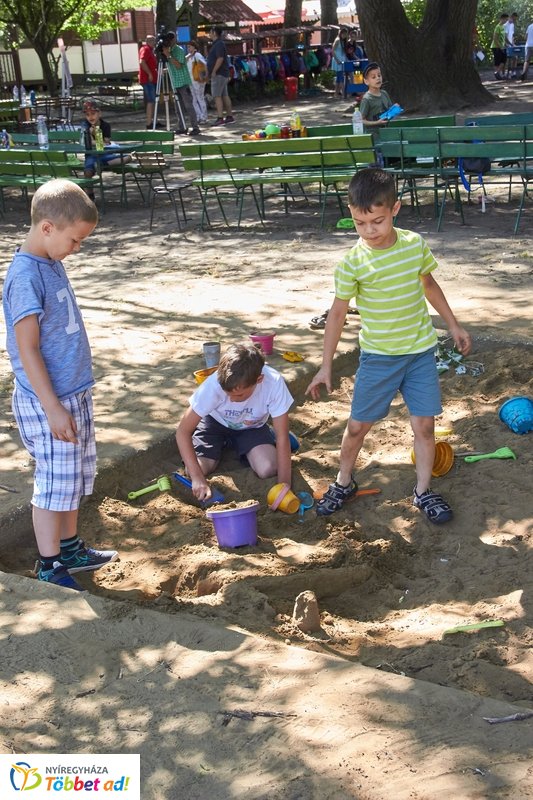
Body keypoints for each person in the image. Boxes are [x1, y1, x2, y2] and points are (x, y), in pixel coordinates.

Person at [305, 168, 471, 525]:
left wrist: (453, 324)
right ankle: (344, 482)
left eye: (377, 221)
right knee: (356, 428)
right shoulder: (352, 262)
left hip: (419, 355)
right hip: (378, 359)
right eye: (359, 223)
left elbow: (429, 285)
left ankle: (423, 491)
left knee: (424, 427)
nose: (369, 231)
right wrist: (325, 365)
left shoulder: (413, 245)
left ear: (395, 208)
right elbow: (337, 314)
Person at [1, 179, 119, 590]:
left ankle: (69, 548)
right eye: (75, 240)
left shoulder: (51, 262)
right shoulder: (24, 277)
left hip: (74, 393)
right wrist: (52, 406)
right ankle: (49, 563)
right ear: (47, 227)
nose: (77, 248)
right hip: (47, 400)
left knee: (74, 480)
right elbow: (27, 349)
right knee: (54, 483)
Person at [176, 343, 293, 502]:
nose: (231, 400)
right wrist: (197, 478)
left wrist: (284, 486)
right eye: (227, 394)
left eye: (239, 395)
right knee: (197, 469)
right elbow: (183, 431)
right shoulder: (213, 385)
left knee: (269, 469)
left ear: (259, 380)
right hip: (214, 423)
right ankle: (226, 445)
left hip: (251, 426)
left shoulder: (274, 383)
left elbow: (282, 437)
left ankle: (259, 439)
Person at [80, 100, 132, 199]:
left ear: (99, 113)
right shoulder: (85, 125)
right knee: (88, 172)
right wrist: (94, 136)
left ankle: (102, 165)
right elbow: (88, 142)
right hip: (92, 155)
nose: (90, 117)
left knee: (128, 157)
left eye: (93, 114)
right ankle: (90, 195)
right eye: (87, 115)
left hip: (106, 155)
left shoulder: (105, 125)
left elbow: (107, 142)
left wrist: (96, 135)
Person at [163, 32, 200, 135]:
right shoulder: (170, 50)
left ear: (174, 39)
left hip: (182, 82)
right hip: (175, 82)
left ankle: (195, 127)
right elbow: (172, 65)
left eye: (170, 39)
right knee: (178, 107)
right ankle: (182, 126)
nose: (169, 41)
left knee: (188, 106)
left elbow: (178, 65)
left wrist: (168, 55)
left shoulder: (178, 50)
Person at [206, 26, 234, 127]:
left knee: (217, 96)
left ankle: (220, 117)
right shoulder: (217, 44)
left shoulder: (218, 44)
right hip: (222, 74)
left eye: (210, 31)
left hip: (219, 74)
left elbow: (220, 58)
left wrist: (213, 71)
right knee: (224, 95)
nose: (209, 33)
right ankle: (229, 116)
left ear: (214, 32)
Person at [359, 62, 393, 132]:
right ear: (366, 81)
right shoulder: (366, 99)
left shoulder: (384, 94)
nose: (378, 78)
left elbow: (389, 112)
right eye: (373, 77)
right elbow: (361, 120)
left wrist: (394, 109)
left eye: (379, 75)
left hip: (386, 132)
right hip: (372, 134)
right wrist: (377, 123)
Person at [186, 40, 208, 125]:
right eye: (188, 47)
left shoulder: (197, 55)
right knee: (194, 99)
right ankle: (198, 116)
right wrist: (190, 55)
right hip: (191, 80)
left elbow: (204, 64)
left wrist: (206, 75)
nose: (189, 48)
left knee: (200, 98)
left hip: (198, 80)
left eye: (190, 46)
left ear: (194, 47)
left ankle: (204, 117)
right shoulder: (189, 56)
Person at [138, 34, 158, 128]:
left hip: (152, 79)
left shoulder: (151, 50)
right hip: (147, 80)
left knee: (153, 100)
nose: (155, 43)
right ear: (149, 41)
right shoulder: (145, 49)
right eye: (153, 41)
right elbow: (142, 62)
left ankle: (154, 121)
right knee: (151, 100)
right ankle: (149, 123)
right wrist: (149, 73)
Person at [331, 28, 348, 98]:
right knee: (340, 77)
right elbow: (333, 51)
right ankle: (343, 93)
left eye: (345, 34)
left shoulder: (343, 41)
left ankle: (336, 93)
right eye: (343, 34)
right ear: (340, 33)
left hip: (342, 60)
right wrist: (337, 60)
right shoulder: (337, 40)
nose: (344, 35)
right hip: (338, 60)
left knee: (339, 77)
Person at [492, 12, 509, 80]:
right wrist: (499, 47)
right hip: (496, 47)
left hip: (502, 46)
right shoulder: (497, 27)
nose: (506, 21)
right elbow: (495, 38)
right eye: (505, 19)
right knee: (498, 61)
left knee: (504, 60)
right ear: (502, 19)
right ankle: (497, 75)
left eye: (507, 20)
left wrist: (508, 44)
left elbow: (504, 37)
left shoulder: (503, 27)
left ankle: (497, 72)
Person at [504, 12, 519, 78]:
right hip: (506, 45)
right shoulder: (505, 25)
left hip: (511, 44)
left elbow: (512, 35)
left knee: (515, 57)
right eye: (514, 19)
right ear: (511, 17)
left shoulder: (512, 24)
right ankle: (505, 74)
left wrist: (513, 43)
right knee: (506, 59)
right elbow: (505, 37)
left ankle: (513, 73)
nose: (514, 20)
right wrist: (509, 44)